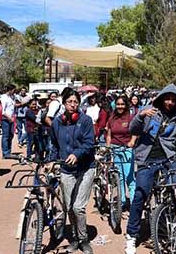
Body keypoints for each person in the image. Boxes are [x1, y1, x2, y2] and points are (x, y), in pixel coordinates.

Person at [124, 84, 176, 254]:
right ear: (161, 98)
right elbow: (133, 129)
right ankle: (131, 235)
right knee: (140, 194)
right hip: (147, 158)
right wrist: (140, 116)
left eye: (173, 100)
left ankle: (173, 224)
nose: (170, 102)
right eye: (167, 99)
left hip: (168, 158)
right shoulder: (149, 111)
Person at [50, 89, 95, 254]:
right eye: (70, 102)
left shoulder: (86, 120)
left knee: (78, 208)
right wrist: (52, 160)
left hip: (86, 168)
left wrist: (77, 154)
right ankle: (75, 238)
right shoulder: (56, 123)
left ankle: (84, 240)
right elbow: (54, 144)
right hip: (66, 169)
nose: (73, 105)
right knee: (68, 207)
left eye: (76, 102)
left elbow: (90, 143)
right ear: (63, 103)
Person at [106, 95, 137, 210]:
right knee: (119, 177)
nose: (120, 106)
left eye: (122, 104)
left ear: (126, 105)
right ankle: (122, 201)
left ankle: (134, 204)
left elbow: (136, 131)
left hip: (126, 149)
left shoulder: (130, 117)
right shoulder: (112, 117)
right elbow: (109, 134)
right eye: (118, 104)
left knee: (129, 177)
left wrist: (132, 141)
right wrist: (108, 147)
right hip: (114, 148)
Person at [0, 84, 16, 158]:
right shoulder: (3, 98)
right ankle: (5, 152)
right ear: (10, 90)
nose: (14, 91)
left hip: (11, 118)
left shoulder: (12, 97)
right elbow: (2, 111)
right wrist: (9, 118)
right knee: (5, 136)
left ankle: (9, 151)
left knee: (11, 135)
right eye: (13, 90)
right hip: (5, 119)